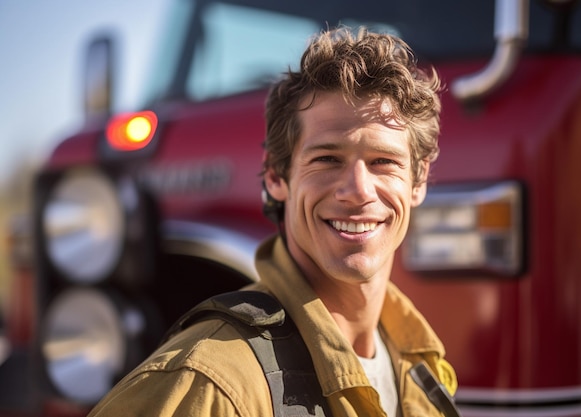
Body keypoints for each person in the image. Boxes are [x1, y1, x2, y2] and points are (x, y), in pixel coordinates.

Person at [88, 26, 457, 417]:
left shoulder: (421, 368)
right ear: (275, 177)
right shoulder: (207, 385)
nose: (359, 191)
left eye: (384, 162)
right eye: (327, 159)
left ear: (417, 181)